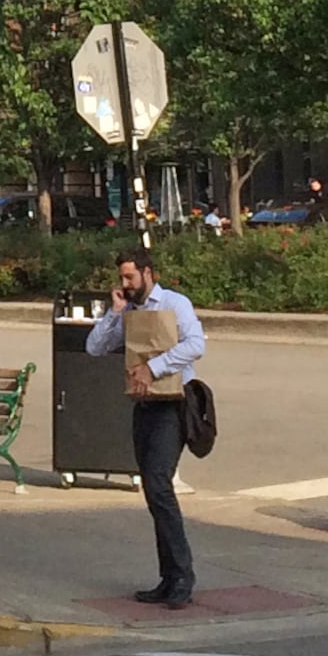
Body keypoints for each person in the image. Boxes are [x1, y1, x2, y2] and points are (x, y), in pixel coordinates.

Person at [82, 250, 205, 606]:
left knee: (159, 485)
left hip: (174, 404)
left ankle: (183, 575)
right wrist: (115, 314)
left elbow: (196, 345)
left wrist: (155, 367)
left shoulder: (174, 303)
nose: (124, 284)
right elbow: (95, 348)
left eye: (130, 278)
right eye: (121, 278)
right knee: (152, 491)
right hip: (144, 405)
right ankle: (168, 576)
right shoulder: (129, 311)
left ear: (147, 273)